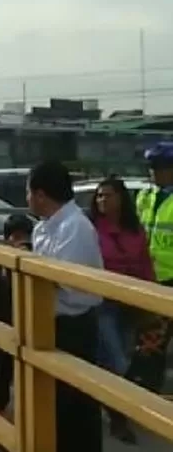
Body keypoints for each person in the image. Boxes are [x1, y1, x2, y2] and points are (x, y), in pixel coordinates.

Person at [26, 160, 103, 452]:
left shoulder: (76, 228)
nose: (28, 199)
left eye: (29, 192)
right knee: (54, 406)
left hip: (75, 326)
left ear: (41, 194)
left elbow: (70, 282)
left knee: (76, 407)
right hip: (48, 323)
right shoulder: (43, 228)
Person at [89, 176, 152, 444]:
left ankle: (112, 408)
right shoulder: (92, 229)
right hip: (103, 302)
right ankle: (118, 418)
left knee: (117, 358)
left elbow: (145, 263)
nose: (103, 200)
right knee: (118, 360)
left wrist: (151, 299)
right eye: (99, 196)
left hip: (131, 303)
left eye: (108, 195)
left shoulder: (135, 230)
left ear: (121, 199)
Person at [125, 142, 173, 399]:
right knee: (150, 342)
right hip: (148, 278)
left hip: (170, 279)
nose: (155, 172)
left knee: (154, 342)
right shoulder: (145, 197)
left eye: (161, 167)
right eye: (152, 167)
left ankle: (146, 393)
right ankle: (146, 392)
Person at [0, 213, 34, 415]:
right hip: (6, 316)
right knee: (3, 362)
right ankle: (0, 398)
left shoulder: (34, 255)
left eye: (24, 236)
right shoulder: (1, 258)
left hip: (25, 317)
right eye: (16, 236)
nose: (21, 242)